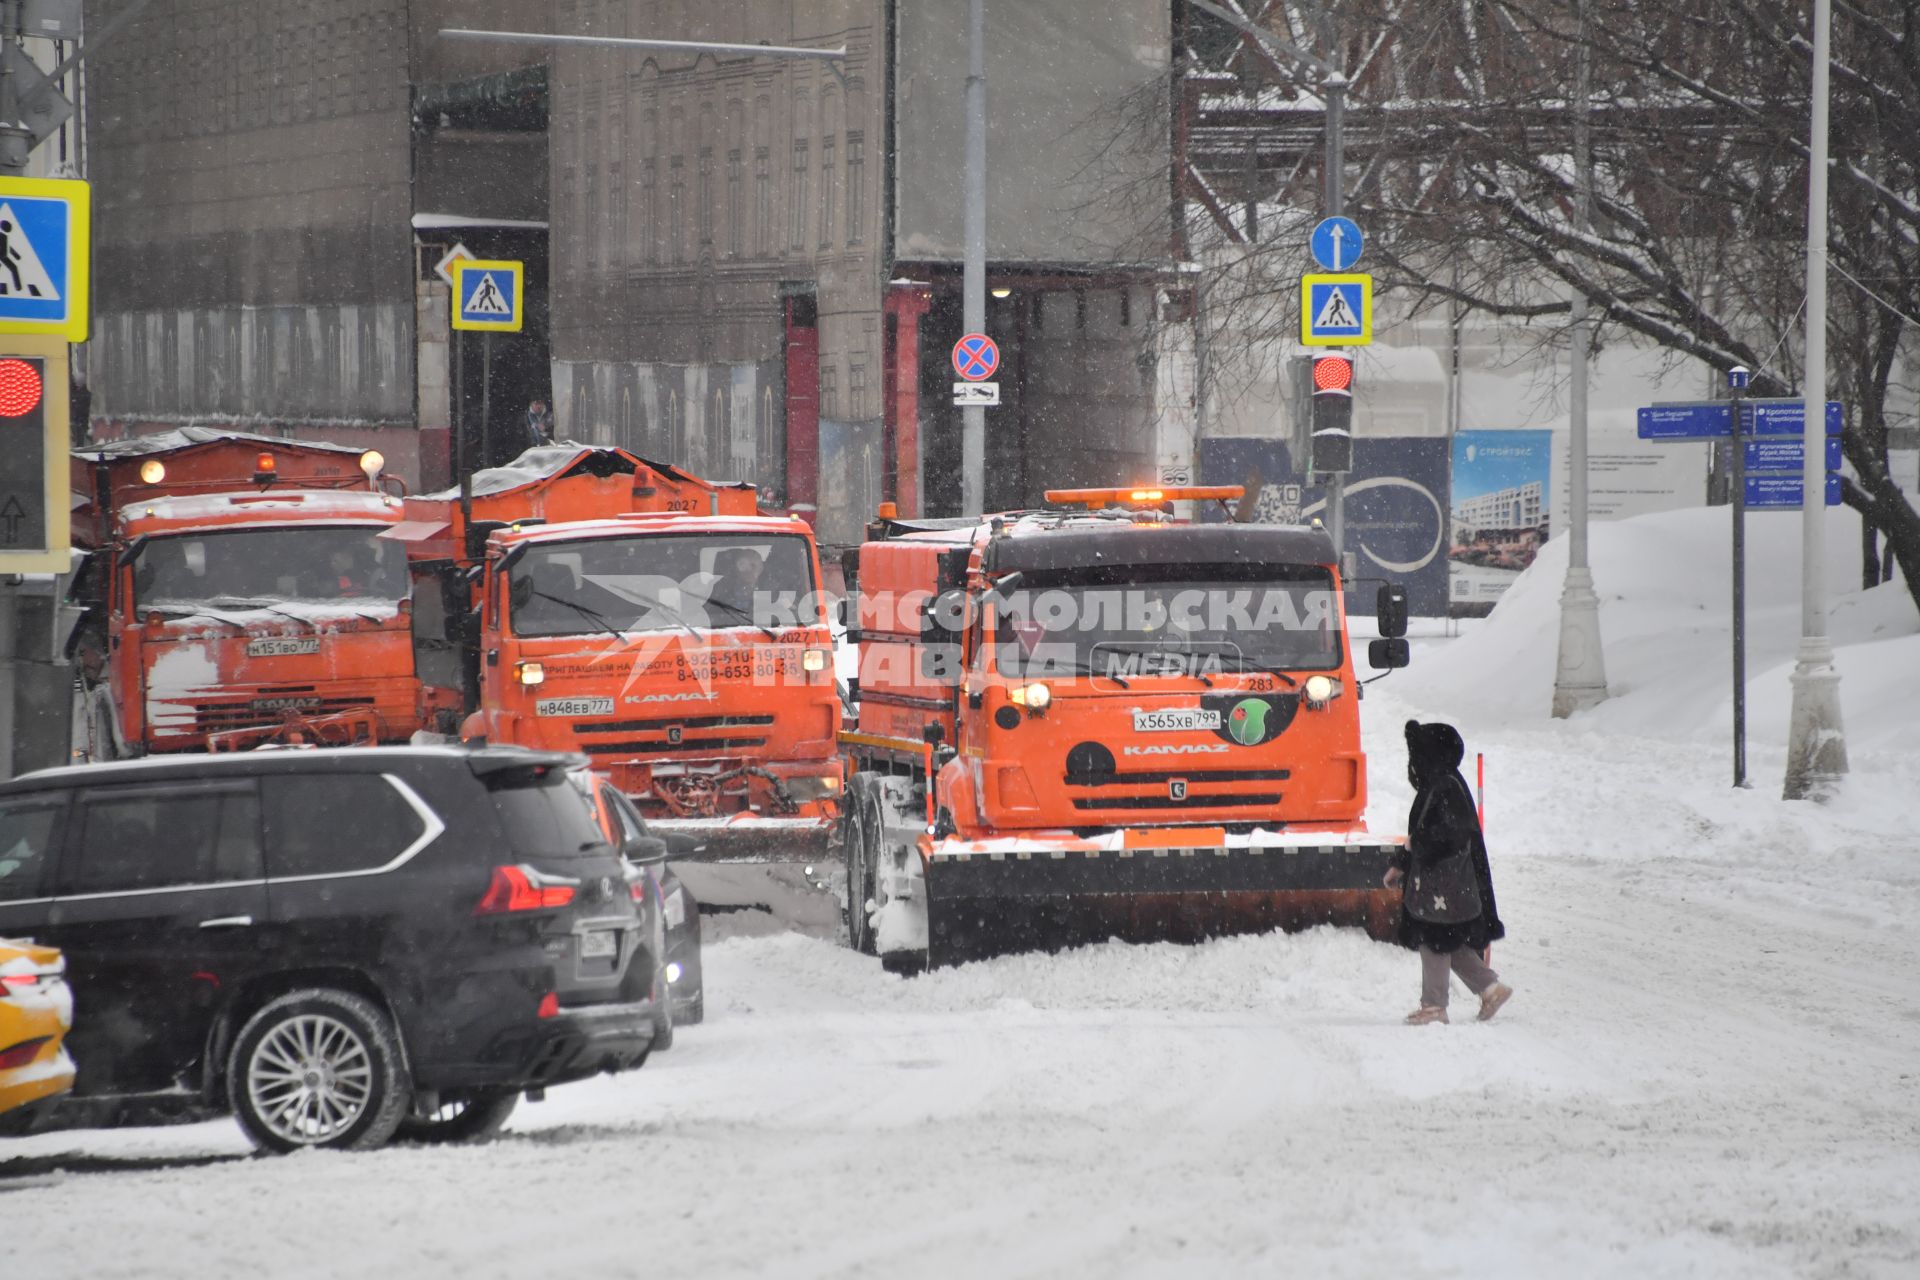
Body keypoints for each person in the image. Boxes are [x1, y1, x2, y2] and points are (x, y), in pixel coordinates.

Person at [1384, 719, 1512, 1025]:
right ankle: (1490, 988)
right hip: (1445, 883)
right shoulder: (1443, 783)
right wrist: (1401, 863)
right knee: (1447, 941)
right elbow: (1423, 834)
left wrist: (1414, 852)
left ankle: (1434, 1007)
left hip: (1444, 884)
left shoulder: (1445, 786)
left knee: (1434, 938)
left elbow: (1446, 836)